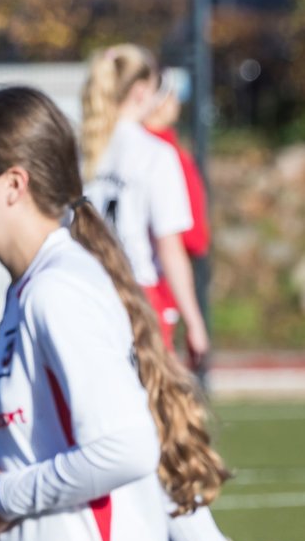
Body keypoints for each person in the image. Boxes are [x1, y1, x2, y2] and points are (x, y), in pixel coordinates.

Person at [0, 85, 305, 541]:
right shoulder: (25, 291)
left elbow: (129, 452)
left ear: (13, 184)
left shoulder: (60, 290)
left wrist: (2, 496)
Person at [81, 44, 210, 370]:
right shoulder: (156, 154)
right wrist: (194, 321)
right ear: (140, 91)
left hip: (83, 295)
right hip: (138, 298)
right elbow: (170, 247)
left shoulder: (81, 150)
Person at [142, 67, 214, 387]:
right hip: (156, 280)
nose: (176, 103)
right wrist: (195, 322)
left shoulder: (152, 149)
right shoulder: (157, 154)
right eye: (169, 95)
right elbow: (178, 239)